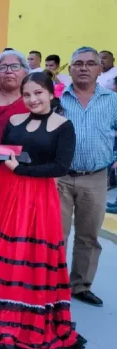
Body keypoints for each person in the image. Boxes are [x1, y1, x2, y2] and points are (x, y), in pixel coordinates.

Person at [0, 72, 84, 349]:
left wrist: (22, 169)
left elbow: (60, 166)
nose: (32, 99)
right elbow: (4, 151)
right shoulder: (16, 121)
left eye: (38, 93)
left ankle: (26, 316)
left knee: (30, 251)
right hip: (5, 191)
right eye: (27, 94)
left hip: (38, 196)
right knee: (3, 250)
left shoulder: (63, 125)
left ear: (52, 94)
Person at [57, 46, 117, 307]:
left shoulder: (112, 101)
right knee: (56, 234)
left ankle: (81, 285)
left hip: (95, 176)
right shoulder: (58, 99)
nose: (83, 68)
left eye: (90, 63)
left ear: (100, 69)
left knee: (89, 235)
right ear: (69, 69)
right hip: (59, 176)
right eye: (78, 63)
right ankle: (53, 283)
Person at [0, 50, 31, 143]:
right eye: (3, 67)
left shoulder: (33, 99)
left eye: (15, 66)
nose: (9, 71)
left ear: (26, 73)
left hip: (17, 156)